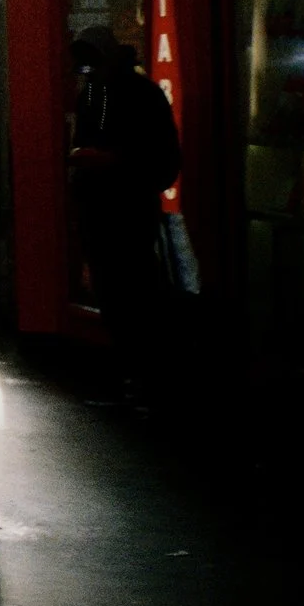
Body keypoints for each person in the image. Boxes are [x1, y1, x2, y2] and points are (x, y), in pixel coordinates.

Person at [68, 25, 183, 404]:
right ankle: (141, 376)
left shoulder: (107, 94)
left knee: (127, 295)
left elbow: (159, 158)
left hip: (119, 210)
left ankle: (139, 375)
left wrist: (104, 163)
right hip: (125, 209)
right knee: (128, 294)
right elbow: (163, 159)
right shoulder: (135, 92)